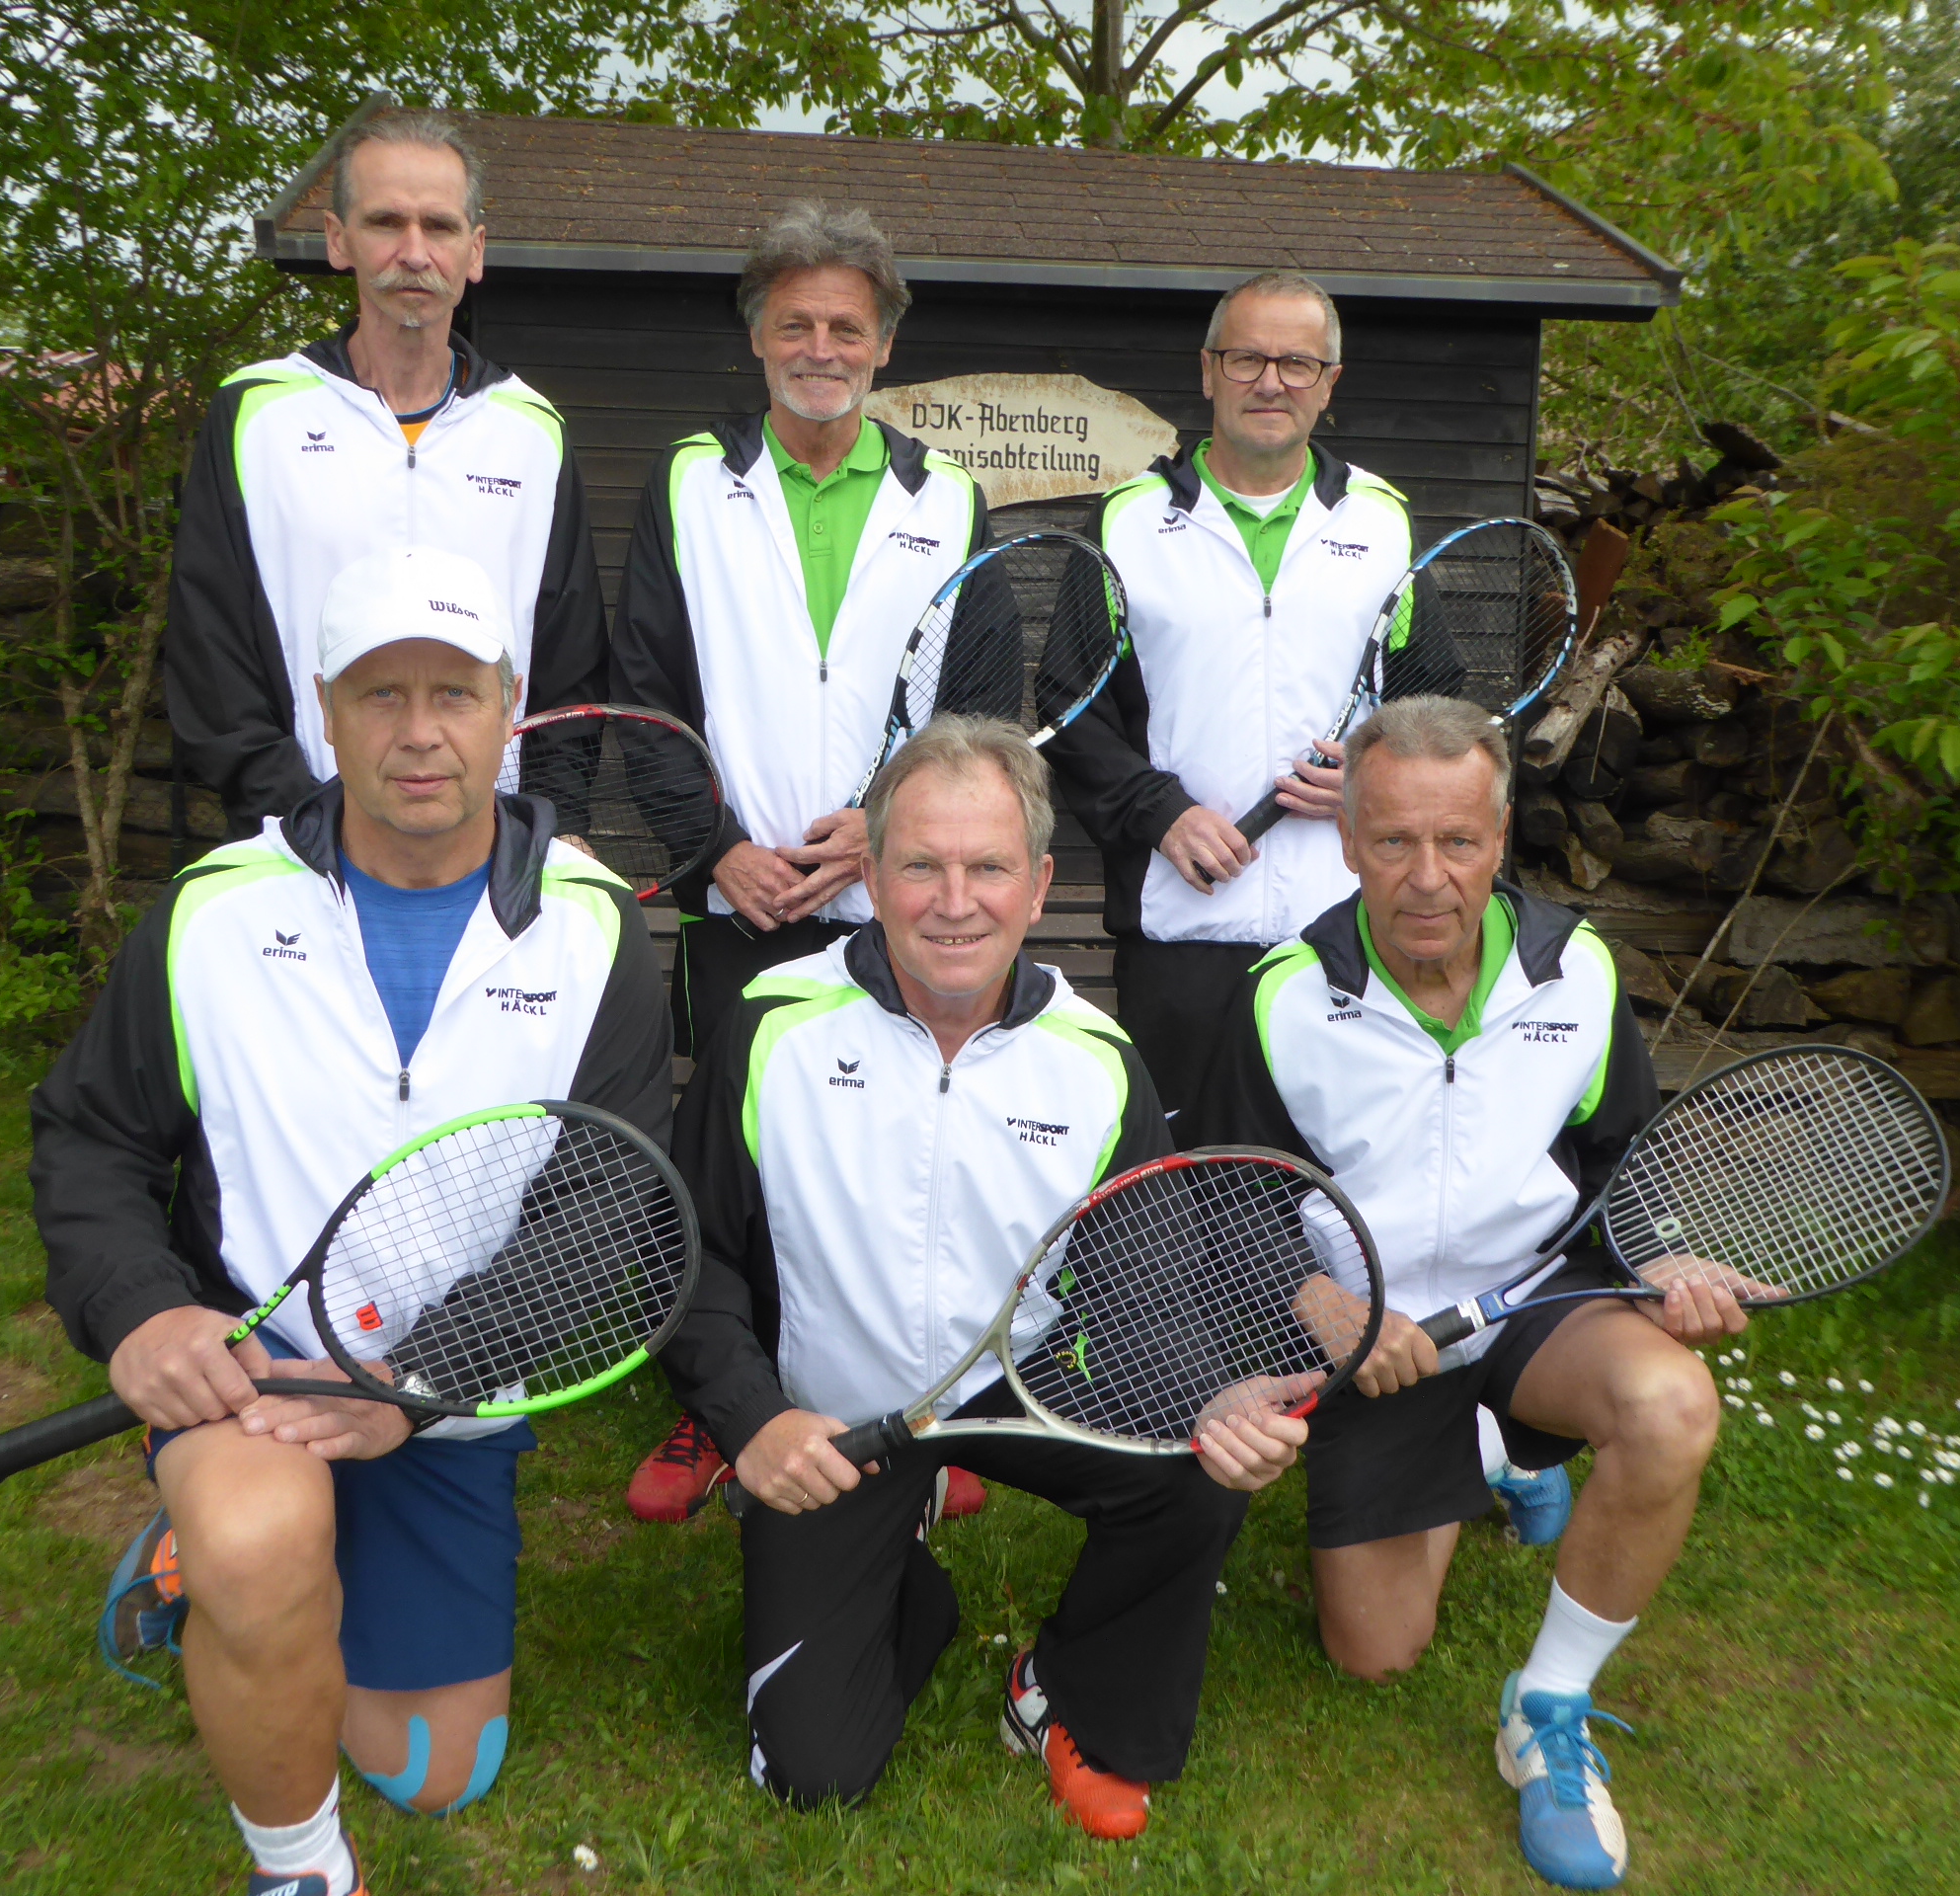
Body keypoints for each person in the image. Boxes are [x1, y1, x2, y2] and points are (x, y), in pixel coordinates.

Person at [32, 547, 670, 1896]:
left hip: (446, 1392)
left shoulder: (597, 929)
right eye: (381, 695)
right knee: (263, 1549)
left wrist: (417, 1384)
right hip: (255, 1380)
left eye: (454, 693)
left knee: (435, 1769)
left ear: (510, 706)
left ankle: (226, 1578)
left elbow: (602, 1209)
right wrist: (141, 1312)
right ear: (323, 709)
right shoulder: (214, 912)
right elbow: (92, 1135)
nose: (419, 734)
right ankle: (301, 1860)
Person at [660, 717, 1305, 1839]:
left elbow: (1148, 1289)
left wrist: (1212, 1397)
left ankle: (1064, 1690)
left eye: (989, 868)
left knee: (1198, 1467)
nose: (955, 902)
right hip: (837, 1414)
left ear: (1039, 883)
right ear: (870, 876)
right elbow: (689, 1250)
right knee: (813, 1773)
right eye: (921, 866)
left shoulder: (1098, 1063)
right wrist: (752, 1420)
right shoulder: (769, 1028)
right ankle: (902, 1566)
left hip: (1017, 1382)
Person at [1182, 696, 1745, 1891]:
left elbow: (1624, 1160)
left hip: (1538, 1305)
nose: (1427, 877)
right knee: (1374, 1654)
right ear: (1346, 840)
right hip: (1377, 1343)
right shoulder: (1282, 995)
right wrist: (1319, 1303)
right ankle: (1494, 1455)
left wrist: (1661, 1261)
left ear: (1499, 840)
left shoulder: (1575, 971)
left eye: (1457, 841)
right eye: (1393, 840)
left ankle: (1547, 1706)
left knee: (1670, 1406)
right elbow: (1224, 1200)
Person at [609, 199, 993, 1521]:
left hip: (896, 899)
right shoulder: (688, 482)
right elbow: (645, 692)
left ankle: (903, 1404)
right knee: (729, 1163)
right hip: (745, 898)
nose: (821, 347)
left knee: (885, 1158)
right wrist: (716, 850)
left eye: (845, 326)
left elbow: (975, 706)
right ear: (758, 339)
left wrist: (883, 828)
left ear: (883, 346)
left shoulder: (948, 499)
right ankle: (718, 1405)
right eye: (795, 325)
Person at [1043, 269, 1460, 1125]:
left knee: (1338, 1176)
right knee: (1188, 1177)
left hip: (1351, 928)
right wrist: (1159, 813)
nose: (1271, 382)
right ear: (1208, 371)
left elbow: (1436, 703)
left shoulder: (1381, 521)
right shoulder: (1126, 521)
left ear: (1328, 384)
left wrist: (1372, 777)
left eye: (1296, 363)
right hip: (1182, 931)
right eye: (1247, 359)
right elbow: (1068, 707)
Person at [166, 106, 606, 838]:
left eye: (439, 226)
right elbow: (208, 649)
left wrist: (550, 823)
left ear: (474, 251)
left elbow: (570, 662)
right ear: (338, 239)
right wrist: (306, 818)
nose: (414, 251)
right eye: (385, 222)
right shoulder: (254, 414)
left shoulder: (532, 431)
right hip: (297, 840)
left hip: (487, 850)